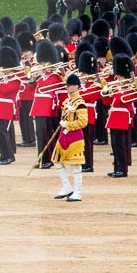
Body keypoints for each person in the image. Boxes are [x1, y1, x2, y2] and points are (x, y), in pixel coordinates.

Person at [54, 73, 92, 202]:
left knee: (75, 166)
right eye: (67, 85)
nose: (67, 87)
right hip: (64, 135)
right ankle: (67, 187)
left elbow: (83, 122)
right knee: (57, 161)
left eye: (69, 85)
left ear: (76, 86)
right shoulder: (67, 101)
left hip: (74, 136)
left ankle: (78, 192)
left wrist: (68, 125)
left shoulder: (79, 103)